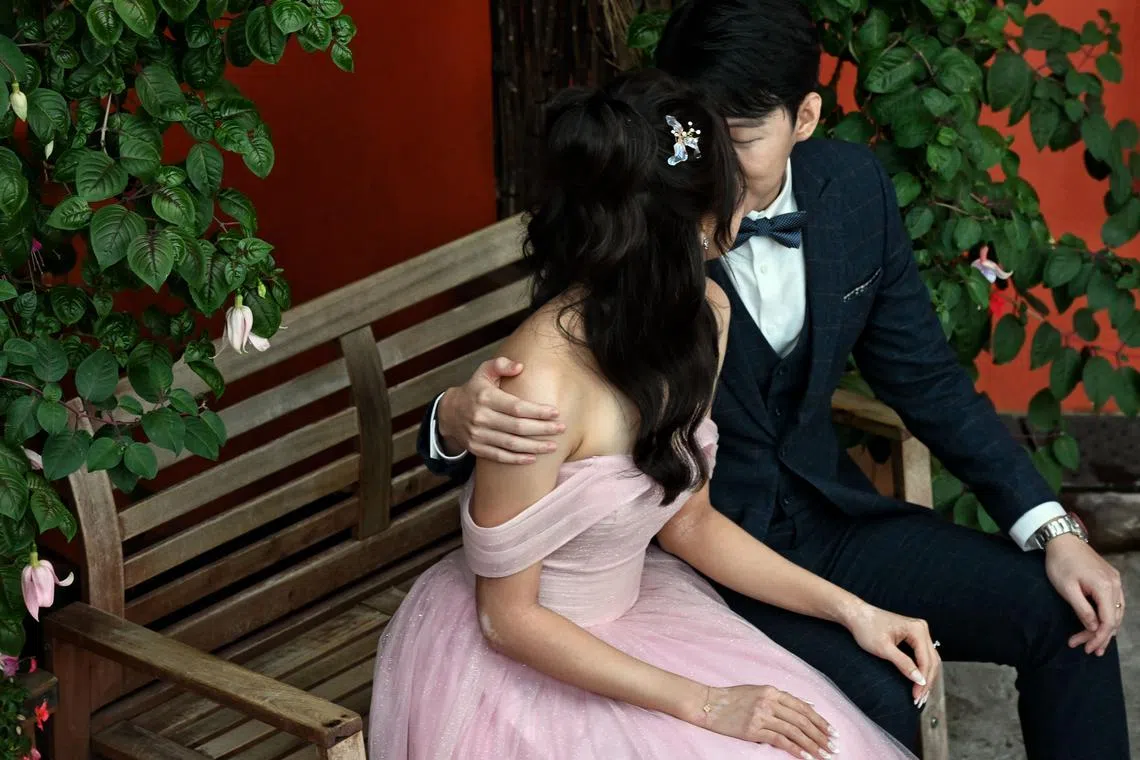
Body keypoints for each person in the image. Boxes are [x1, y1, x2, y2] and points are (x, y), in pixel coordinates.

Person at [417, 2, 1130, 758]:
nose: (720, 172)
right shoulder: (641, 232)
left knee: (1063, 616)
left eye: (743, 140)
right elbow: (550, 399)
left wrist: (1051, 528)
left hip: (831, 518)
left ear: (807, 117)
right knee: (873, 691)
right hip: (692, 563)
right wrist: (453, 418)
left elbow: (929, 382)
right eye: (702, 143)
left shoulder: (850, 194)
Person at [371, 68, 928, 760]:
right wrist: (709, 703)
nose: (749, 198)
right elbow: (506, 618)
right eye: (732, 186)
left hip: (645, 615)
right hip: (529, 660)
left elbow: (691, 522)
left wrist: (855, 610)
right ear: (692, 225)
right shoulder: (538, 382)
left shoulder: (706, 318)